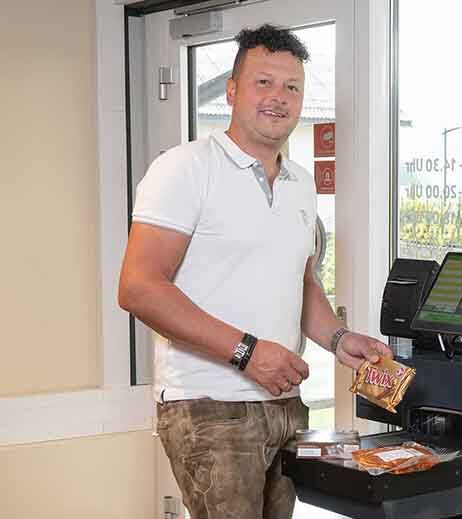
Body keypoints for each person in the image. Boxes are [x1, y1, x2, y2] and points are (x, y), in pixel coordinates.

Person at [118, 24, 391, 519]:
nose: (278, 98)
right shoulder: (185, 169)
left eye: (292, 87)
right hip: (209, 403)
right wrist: (247, 354)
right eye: (263, 82)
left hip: (285, 404)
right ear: (232, 90)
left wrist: (337, 339)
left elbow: (302, 282)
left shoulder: (300, 184)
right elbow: (139, 288)